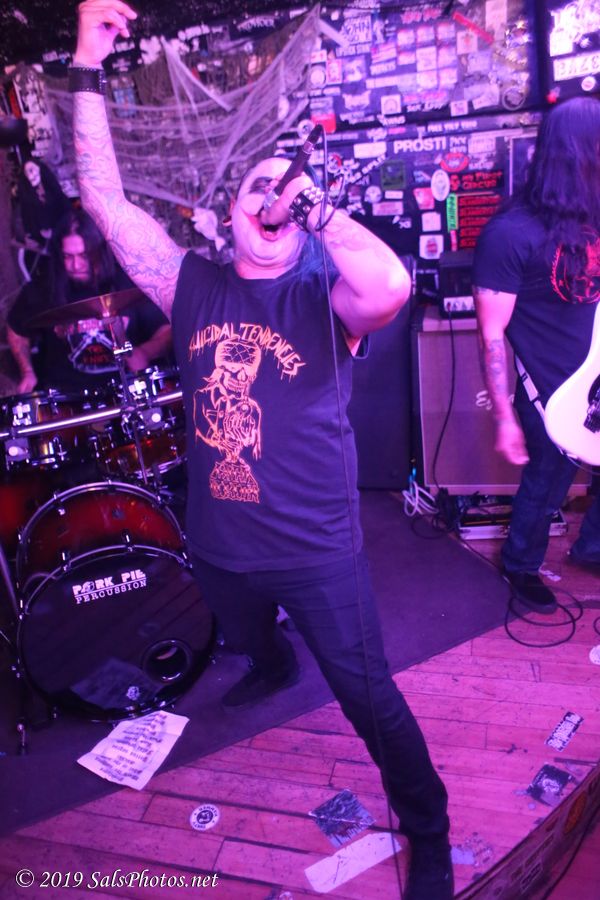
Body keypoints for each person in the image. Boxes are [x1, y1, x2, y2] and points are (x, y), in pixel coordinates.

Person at [69, 2, 454, 897]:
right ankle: (271, 660)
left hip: (317, 554)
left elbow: (392, 285)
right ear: (228, 213)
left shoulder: (325, 297)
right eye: (258, 188)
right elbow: (105, 202)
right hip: (218, 547)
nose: (274, 197)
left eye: (288, 192)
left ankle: (428, 824)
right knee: (244, 637)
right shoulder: (191, 285)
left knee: (370, 699)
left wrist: (313, 204)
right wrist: (86, 61)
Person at [473, 97, 600, 614]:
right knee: (548, 480)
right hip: (548, 387)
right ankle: (521, 564)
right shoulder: (511, 233)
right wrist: (504, 419)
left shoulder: (594, 214)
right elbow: (491, 334)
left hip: (596, 374)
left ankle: (592, 547)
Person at [7, 206, 172, 394]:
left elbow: (166, 331)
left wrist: (145, 352)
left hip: (131, 390)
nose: (75, 265)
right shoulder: (45, 287)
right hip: (68, 399)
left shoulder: (127, 281)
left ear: (100, 251)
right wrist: (28, 372)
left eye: (84, 256)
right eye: (67, 257)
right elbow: (16, 329)